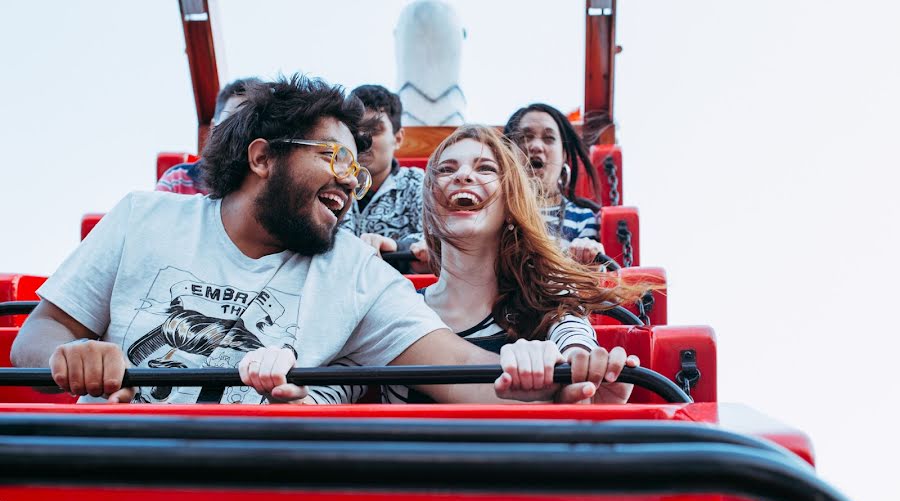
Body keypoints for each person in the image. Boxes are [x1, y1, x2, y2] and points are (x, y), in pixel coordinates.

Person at [11, 75, 613, 405]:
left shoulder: (356, 272)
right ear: (262, 158)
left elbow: (460, 373)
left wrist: (555, 385)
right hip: (110, 482)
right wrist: (70, 359)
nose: (349, 181)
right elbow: (36, 337)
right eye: (332, 157)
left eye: (357, 168)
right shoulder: (145, 218)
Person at [378, 125, 645, 404]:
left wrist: (580, 373)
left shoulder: (547, 301)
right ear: (430, 211)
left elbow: (573, 337)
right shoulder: (398, 307)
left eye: (485, 168)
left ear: (509, 207)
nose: (463, 175)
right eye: (446, 169)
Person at [504, 103, 605, 265]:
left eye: (549, 138)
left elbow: (588, 284)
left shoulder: (583, 219)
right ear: (508, 152)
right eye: (525, 137)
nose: (536, 146)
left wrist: (591, 262)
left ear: (564, 155)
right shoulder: (494, 213)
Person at [341, 85, 427, 273]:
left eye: (375, 129)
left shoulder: (417, 183)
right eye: (356, 130)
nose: (363, 139)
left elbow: (435, 239)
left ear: (398, 138)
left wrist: (397, 246)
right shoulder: (331, 184)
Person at [155, 77, 262, 195]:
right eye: (230, 122)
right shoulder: (177, 182)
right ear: (212, 127)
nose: (238, 132)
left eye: (249, 124)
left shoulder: (268, 187)